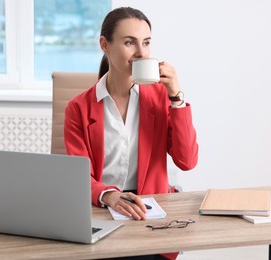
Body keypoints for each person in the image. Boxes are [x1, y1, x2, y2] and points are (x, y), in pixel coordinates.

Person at [64, 7, 198, 259]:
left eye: (146, 43)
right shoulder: (78, 108)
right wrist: (110, 195)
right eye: (129, 42)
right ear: (104, 44)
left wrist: (176, 98)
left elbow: (187, 160)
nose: (141, 53)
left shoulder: (161, 98)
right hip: (101, 209)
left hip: (150, 214)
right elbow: (78, 176)